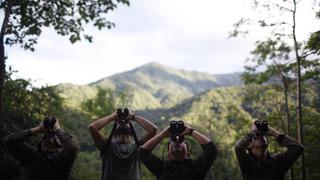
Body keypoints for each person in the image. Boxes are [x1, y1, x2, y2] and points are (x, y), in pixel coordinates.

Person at [88, 108, 157, 180]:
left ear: (132, 133)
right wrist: (113, 116)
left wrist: (133, 116)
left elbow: (153, 130)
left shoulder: (138, 147)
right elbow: (92, 128)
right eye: (119, 123)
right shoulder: (107, 146)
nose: (123, 122)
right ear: (113, 134)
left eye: (126, 122)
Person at [4, 117, 79, 180]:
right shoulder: (31, 156)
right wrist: (38, 129)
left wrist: (57, 130)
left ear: (60, 143)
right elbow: (10, 141)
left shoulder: (63, 159)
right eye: (45, 135)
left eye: (53, 136)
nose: (49, 135)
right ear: (40, 141)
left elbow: (73, 147)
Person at [139, 121, 218, 180]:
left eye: (181, 140)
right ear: (168, 149)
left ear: (187, 150)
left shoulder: (196, 167)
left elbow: (211, 150)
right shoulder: (162, 167)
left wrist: (191, 131)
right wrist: (162, 134)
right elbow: (142, 152)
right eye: (173, 140)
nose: (177, 141)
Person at [234, 121, 304, 180]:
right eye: (257, 136)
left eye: (263, 135)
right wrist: (252, 132)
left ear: (267, 142)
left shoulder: (277, 161)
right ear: (249, 145)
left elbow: (298, 148)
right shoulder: (247, 163)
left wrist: (274, 133)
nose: (260, 136)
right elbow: (238, 147)